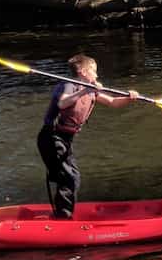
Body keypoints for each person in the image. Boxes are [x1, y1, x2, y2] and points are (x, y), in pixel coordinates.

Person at [37, 53, 140, 218]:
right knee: (68, 177)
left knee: (73, 177)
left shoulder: (92, 91)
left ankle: (61, 211)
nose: (97, 75)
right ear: (83, 72)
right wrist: (85, 90)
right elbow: (63, 103)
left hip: (65, 140)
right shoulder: (69, 85)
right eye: (94, 71)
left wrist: (129, 98)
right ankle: (63, 218)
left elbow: (113, 102)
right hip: (51, 137)